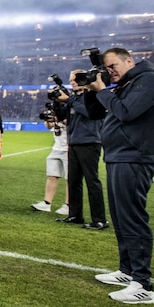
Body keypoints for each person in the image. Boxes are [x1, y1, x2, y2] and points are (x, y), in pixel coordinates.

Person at [86, 47, 154, 304]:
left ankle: (143, 285)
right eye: (107, 69)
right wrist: (94, 91)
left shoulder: (150, 80)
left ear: (129, 60)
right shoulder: (130, 82)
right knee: (121, 218)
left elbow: (126, 112)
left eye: (113, 67)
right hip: (120, 156)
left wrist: (103, 91)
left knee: (132, 218)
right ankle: (128, 270)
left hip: (135, 157)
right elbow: (98, 112)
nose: (110, 72)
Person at [55, 70, 107, 229]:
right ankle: (75, 215)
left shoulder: (93, 96)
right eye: (71, 79)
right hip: (74, 142)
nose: (72, 82)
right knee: (73, 181)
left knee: (92, 181)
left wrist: (69, 100)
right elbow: (62, 116)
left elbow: (90, 113)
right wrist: (58, 101)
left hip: (90, 142)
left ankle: (100, 219)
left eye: (75, 79)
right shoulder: (75, 98)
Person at [31, 109, 70, 214]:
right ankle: (47, 203)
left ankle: (68, 205)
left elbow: (71, 122)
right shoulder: (56, 110)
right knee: (52, 175)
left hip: (69, 148)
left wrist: (59, 119)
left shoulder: (70, 109)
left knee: (70, 178)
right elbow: (49, 126)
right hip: (56, 148)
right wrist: (48, 120)